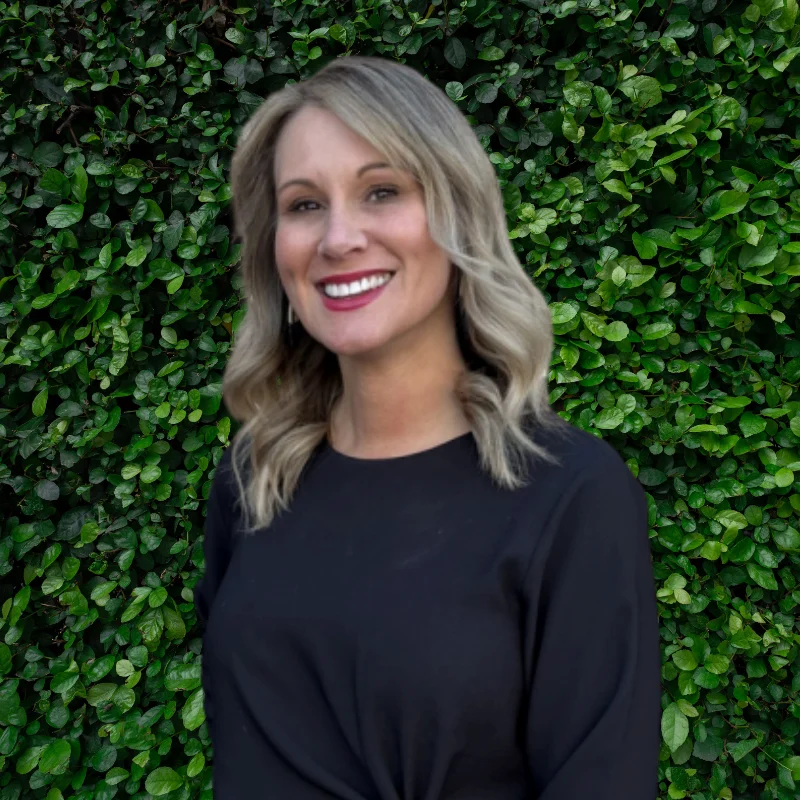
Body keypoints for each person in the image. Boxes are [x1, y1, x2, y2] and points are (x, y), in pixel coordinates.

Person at [194, 54, 662, 799]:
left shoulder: (569, 495)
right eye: (304, 204)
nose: (338, 238)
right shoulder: (254, 479)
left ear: (457, 215)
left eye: (382, 191)